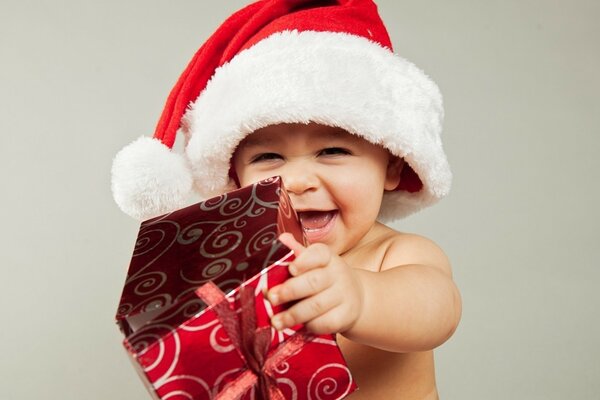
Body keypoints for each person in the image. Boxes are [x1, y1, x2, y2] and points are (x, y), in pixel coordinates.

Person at [111, 1, 461, 398]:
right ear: (236, 179)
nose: (296, 180)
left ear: (393, 167)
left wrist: (361, 297)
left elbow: (438, 310)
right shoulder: (240, 273)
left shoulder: (396, 255)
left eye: (332, 151)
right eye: (268, 157)